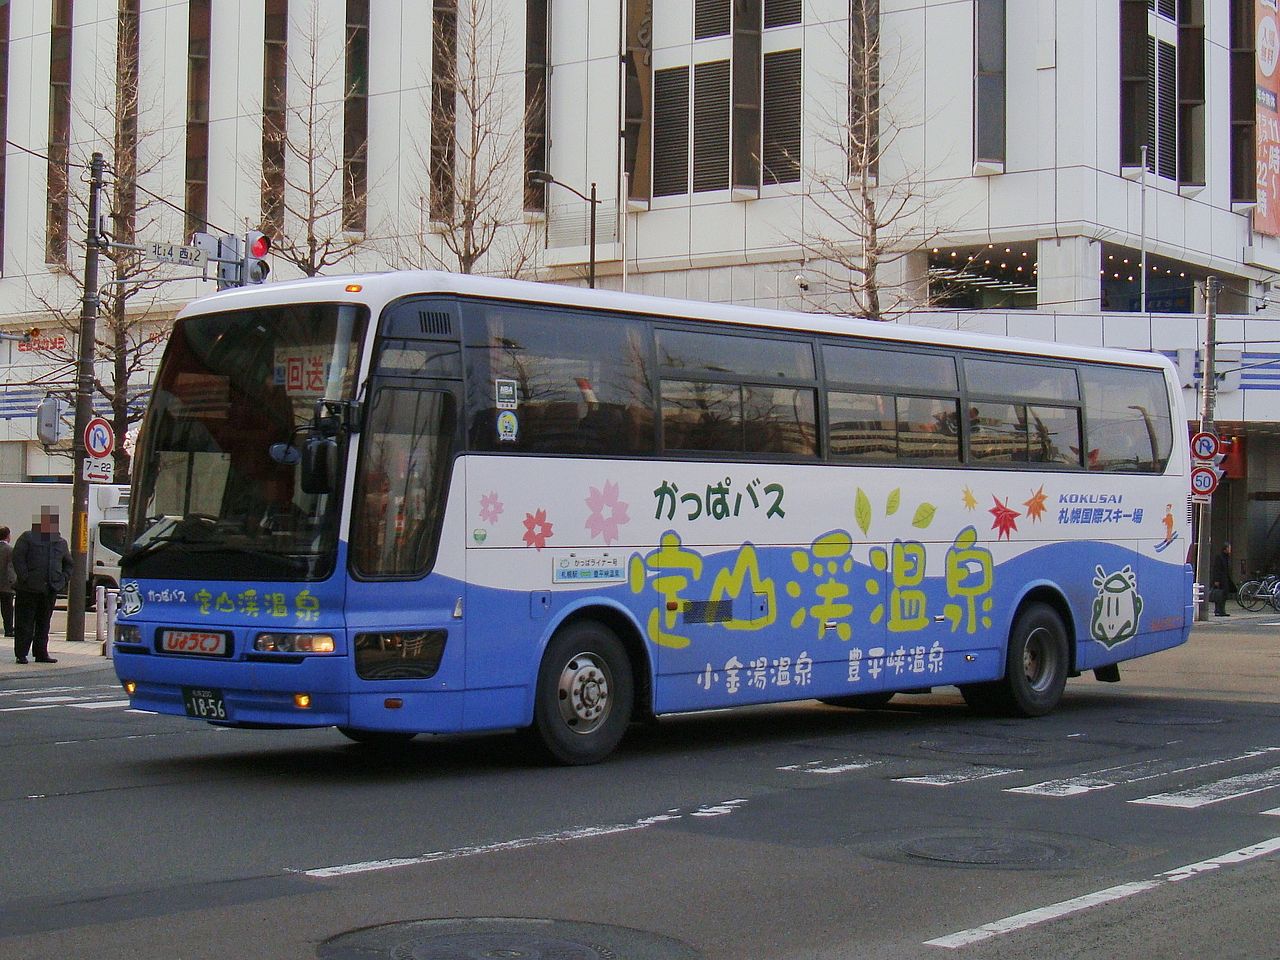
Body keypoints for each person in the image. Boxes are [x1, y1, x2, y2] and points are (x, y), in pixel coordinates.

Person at [12, 507, 72, 664]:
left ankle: (41, 653)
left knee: (44, 623)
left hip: (50, 589)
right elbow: (18, 558)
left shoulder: (60, 542)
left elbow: (68, 564)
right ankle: (21, 653)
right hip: (28, 589)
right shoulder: (27, 538)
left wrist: (62, 580)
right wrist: (25, 577)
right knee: (24, 623)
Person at [1211, 542, 1236, 617]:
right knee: (1219, 595)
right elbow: (1217, 569)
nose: (1230, 550)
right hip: (1221, 579)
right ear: (1225, 549)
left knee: (1224, 595)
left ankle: (1221, 610)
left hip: (1225, 578)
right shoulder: (1219, 557)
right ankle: (1219, 610)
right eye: (1229, 548)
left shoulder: (1226, 557)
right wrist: (1216, 580)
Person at [0, 526, 15, 637]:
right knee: (7, 609)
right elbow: (10, 568)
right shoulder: (10, 550)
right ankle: (9, 630)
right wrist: (13, 582)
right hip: (6, 585)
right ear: (7, 536)